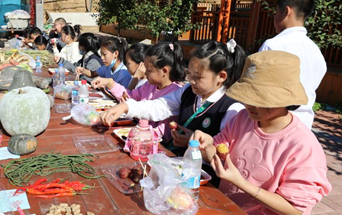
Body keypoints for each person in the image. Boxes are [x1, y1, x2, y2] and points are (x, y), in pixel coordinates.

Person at [195, 51, 331, 215]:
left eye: (260, 100)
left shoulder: (303, 146)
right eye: (248, 98)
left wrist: (244, 184)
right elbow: (219, 152)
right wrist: (206, 144)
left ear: (284, 99)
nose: (250, 105)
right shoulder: (244, 119)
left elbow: (292, 209)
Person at [101, 40, 247, 156]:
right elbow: (160, 106)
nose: (191, 80)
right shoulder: (188, 91)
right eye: (189, 74)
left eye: (198, 77)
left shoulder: (232, 109)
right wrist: (126, 107)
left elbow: (225, 153)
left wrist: (193, 144)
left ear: (221, 77)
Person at [258, 0, 326, 130]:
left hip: (274, 122)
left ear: (286, 11)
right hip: (303, 125)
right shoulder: (316, 51)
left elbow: (257, 88)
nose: (275, 17)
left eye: (276, 12)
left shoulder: (273, 46)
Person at [93, 42, 185, 140]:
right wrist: (110, 83)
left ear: (164, 71)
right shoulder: (149, 85)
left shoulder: (176, 94)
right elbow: (128, 96)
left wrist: (139, 134)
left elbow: (163, 132)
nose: (145, 72)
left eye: (149, 70)